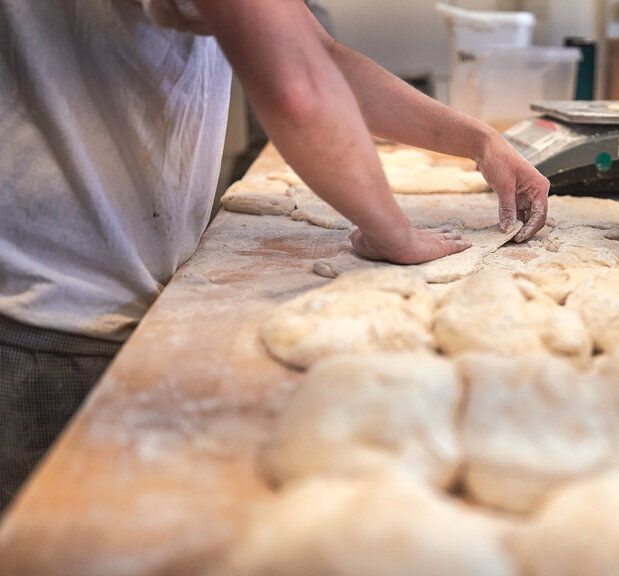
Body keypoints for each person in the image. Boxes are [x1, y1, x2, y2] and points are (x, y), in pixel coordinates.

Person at [0, 0, 550, 512]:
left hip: (94, 289)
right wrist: (393, 233)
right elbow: (298, 87)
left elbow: (319, 57)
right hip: (53, 315)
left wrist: (478, 139)